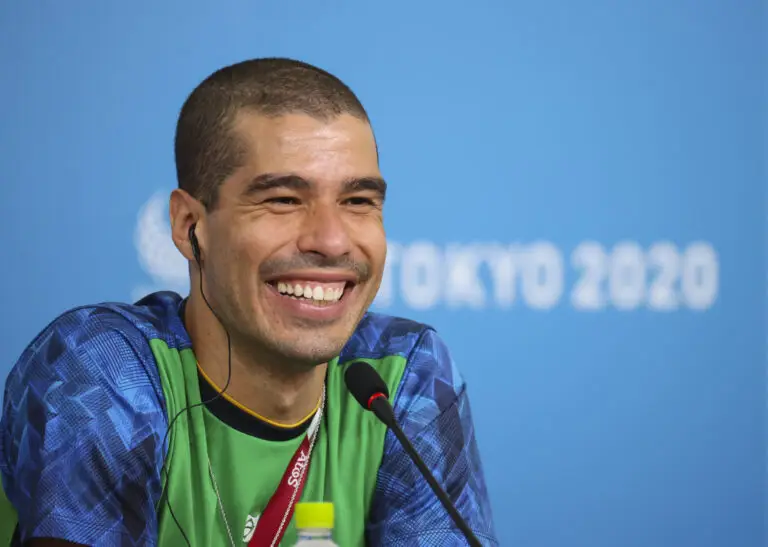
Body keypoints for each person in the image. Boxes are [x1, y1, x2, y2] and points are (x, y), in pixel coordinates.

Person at [0, 58, 497, 547]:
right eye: (283, 200)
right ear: (190, 226)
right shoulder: (108, 369)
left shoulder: (400, 374)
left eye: (358, 202)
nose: (331, 241)